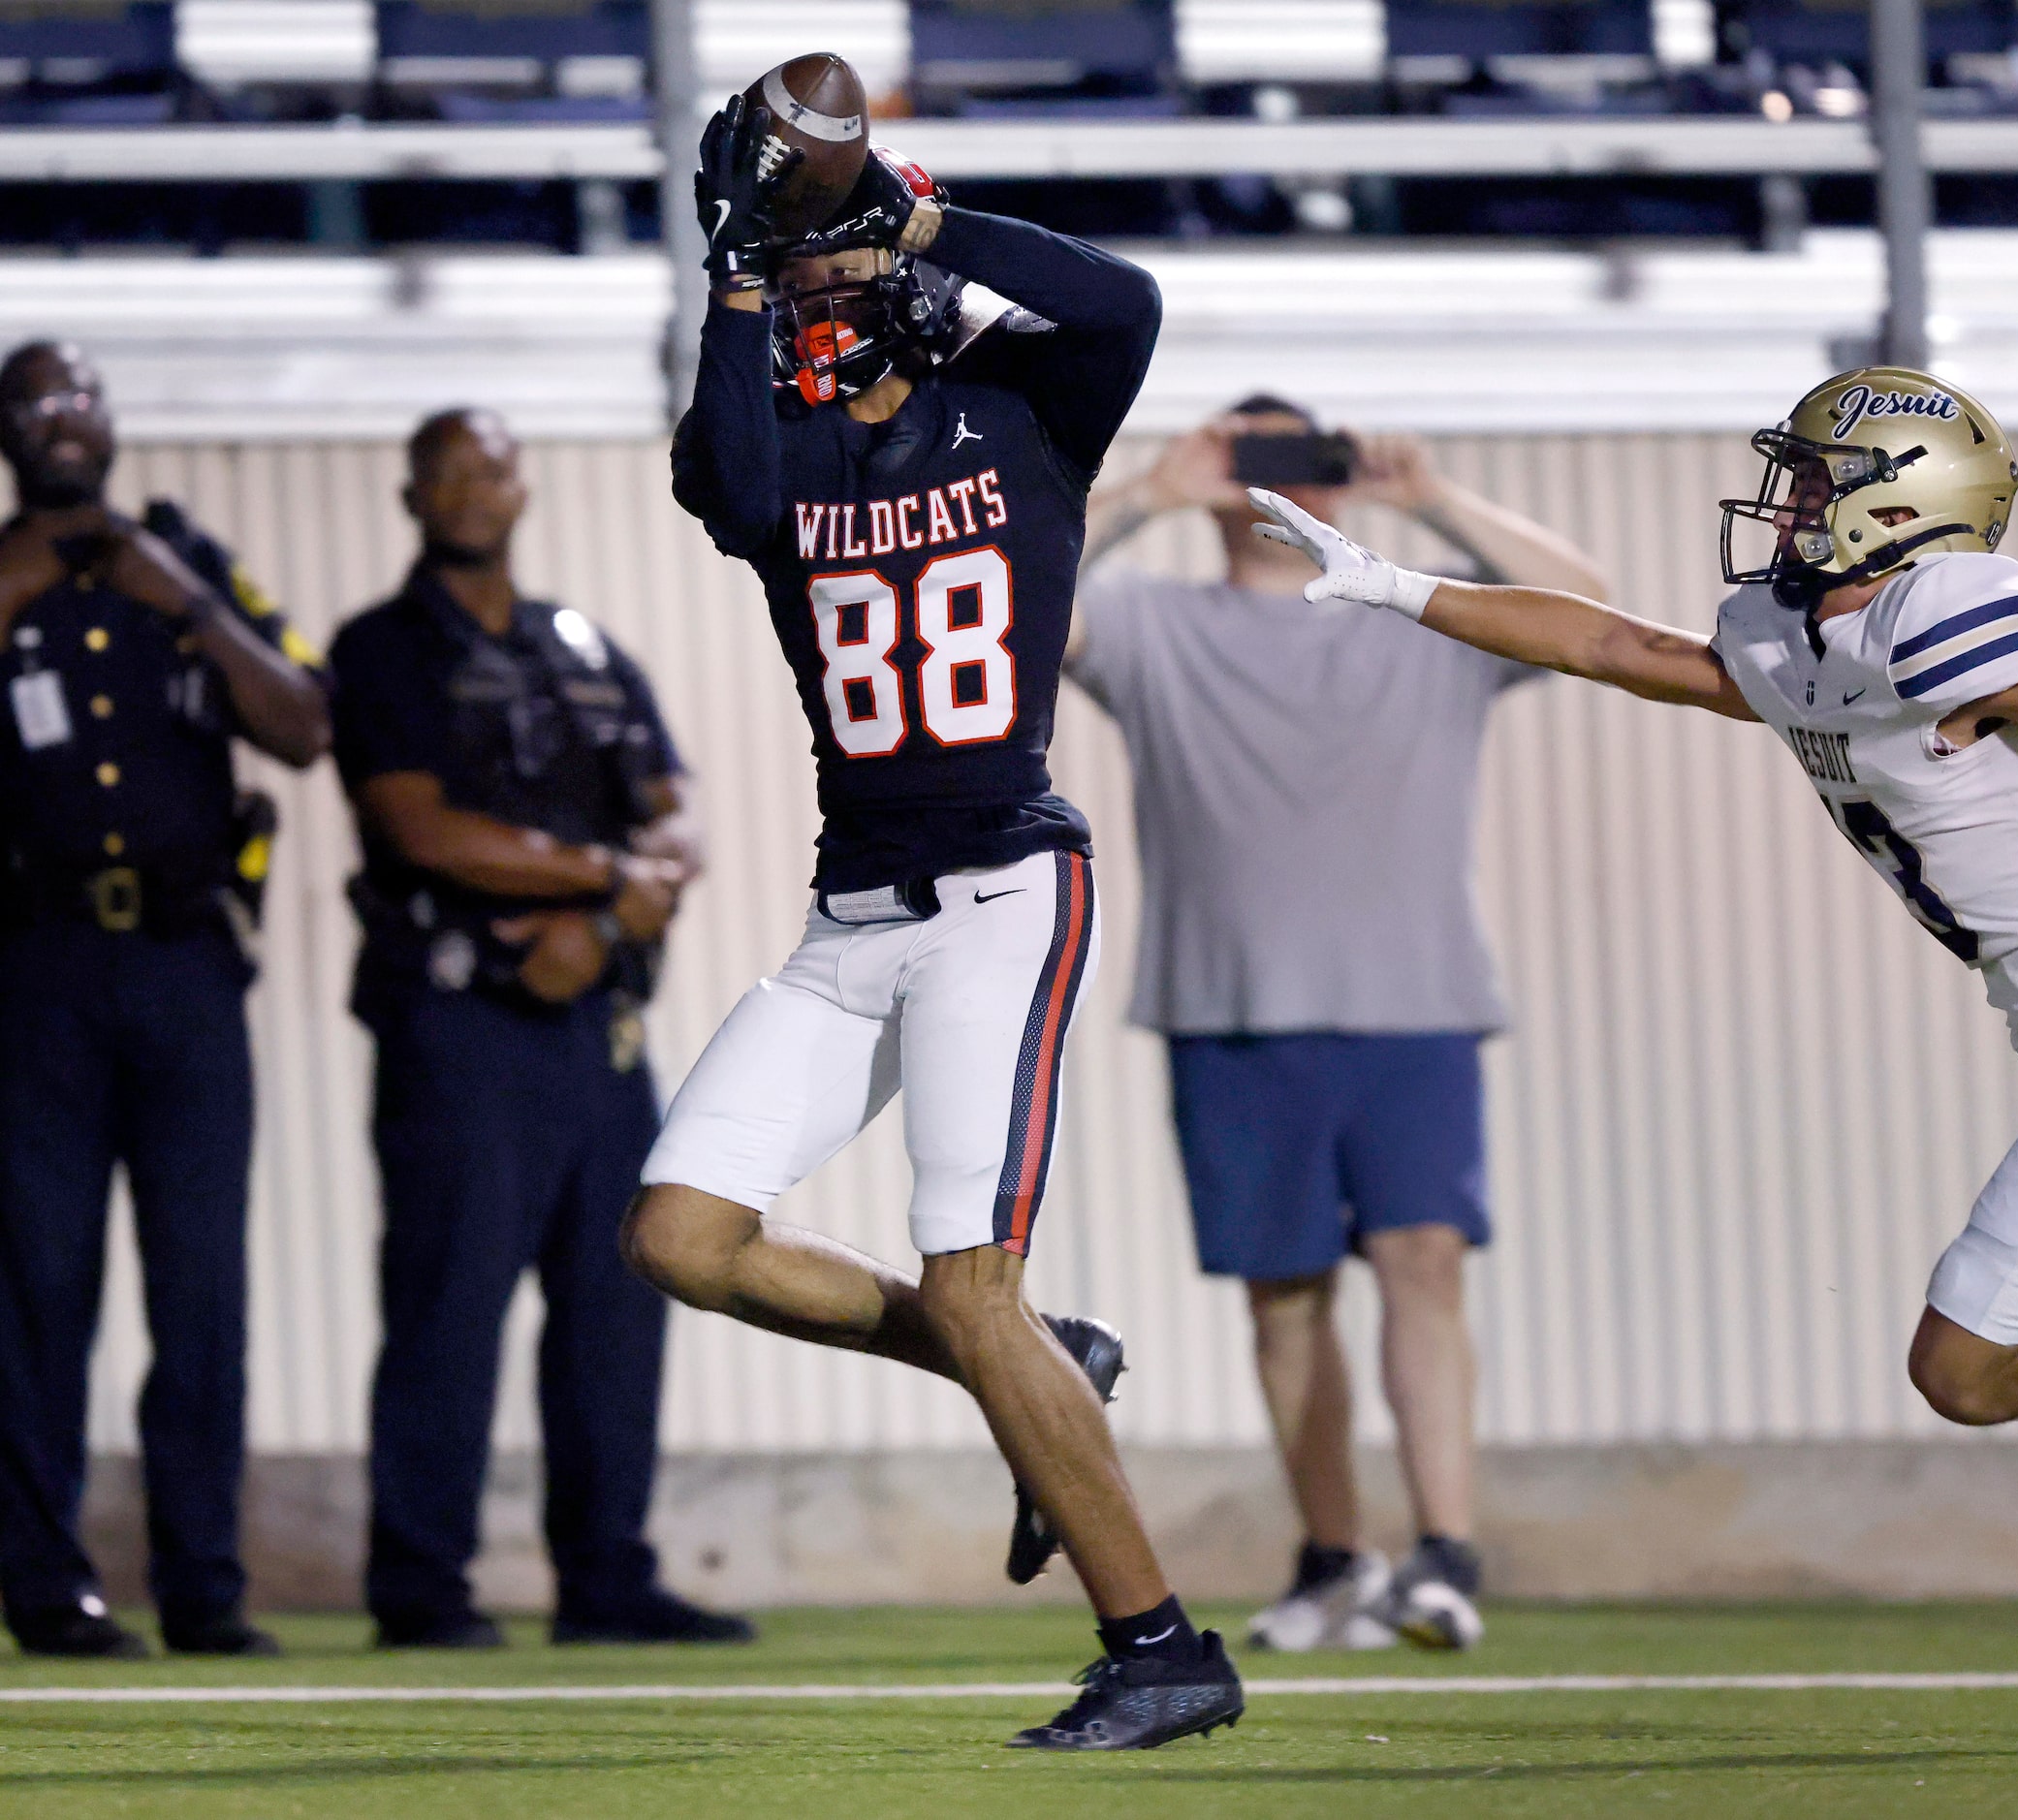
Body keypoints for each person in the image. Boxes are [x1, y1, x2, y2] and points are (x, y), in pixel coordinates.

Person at [1250, 364, 2018, 1743]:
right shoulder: (1797, 633)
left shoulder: (1942, 611)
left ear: (1902, 502)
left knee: (1969, 1369)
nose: (1785, 502)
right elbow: (1624, 648)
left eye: (1815, 479)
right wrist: (1392, 585)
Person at [621, 100, 1244, 1751]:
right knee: (682, 1237)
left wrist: (910, 227)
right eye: (790, 288)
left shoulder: (1025, 413)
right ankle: (1049, 1359)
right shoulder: (780, 452)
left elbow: (1123, 303)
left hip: (1001, 887)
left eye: (828, 281)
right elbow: (723, 475)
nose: (806, 311)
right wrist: (736, 281)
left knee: (973, 1282)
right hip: (851, 913)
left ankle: (1161, 1645)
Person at [1066, 400, 1609, 1651]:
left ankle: (1445, 1556)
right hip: (1233, 1007)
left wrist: (1429, 496)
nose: (1265, 478)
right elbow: (999, 592)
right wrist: (1151, 490)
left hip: (1413, 1002)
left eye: (1290, 454)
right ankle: (1333, 1559)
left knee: (1425, 1264)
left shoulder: (1420, 613)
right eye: (1240, 455)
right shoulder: (1150, 623)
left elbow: (1587, 610)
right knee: (1284, 1302)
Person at [328, 407, 749, 1650]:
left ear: (524, 490)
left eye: (492, 469)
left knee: (618, 1305)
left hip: (600, 1031)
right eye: (446, 471)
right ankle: (421, 1589)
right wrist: (600, 881)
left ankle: (606, 1580)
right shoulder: (381, 652)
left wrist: (610, 925)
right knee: (449, 1308)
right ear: (412, 497)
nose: (471, 489)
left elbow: (681, 829)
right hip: (459, 1026)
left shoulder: (588, 649)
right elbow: (423, 830)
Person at [0, 340, 330, 1658]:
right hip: (36, 970)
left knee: (201, 1288)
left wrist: (180, 594)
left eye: (79, 398)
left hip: (192, 966)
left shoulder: (188, 562)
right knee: (39, 1289)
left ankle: (205, 1583)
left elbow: (305, 724)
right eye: (33, 403)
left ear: (113, 424)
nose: (61, 420)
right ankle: (47, 1585)